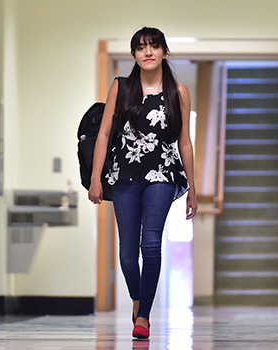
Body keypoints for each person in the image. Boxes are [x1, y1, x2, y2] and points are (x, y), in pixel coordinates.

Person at [88, 27, 198, 339]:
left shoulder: (179, 92)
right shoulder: (121, 88)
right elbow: (105, 134)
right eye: (140, 47)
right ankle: (139, 300)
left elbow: (185, 144)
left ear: (164, 51)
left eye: (153, 46)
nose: (147, 52)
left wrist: (193, 189)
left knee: (150, 243)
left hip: (162, 175)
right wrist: (96, 179)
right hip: (124, 175)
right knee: (126, 253)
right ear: (134, 54)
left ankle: (144, 316)